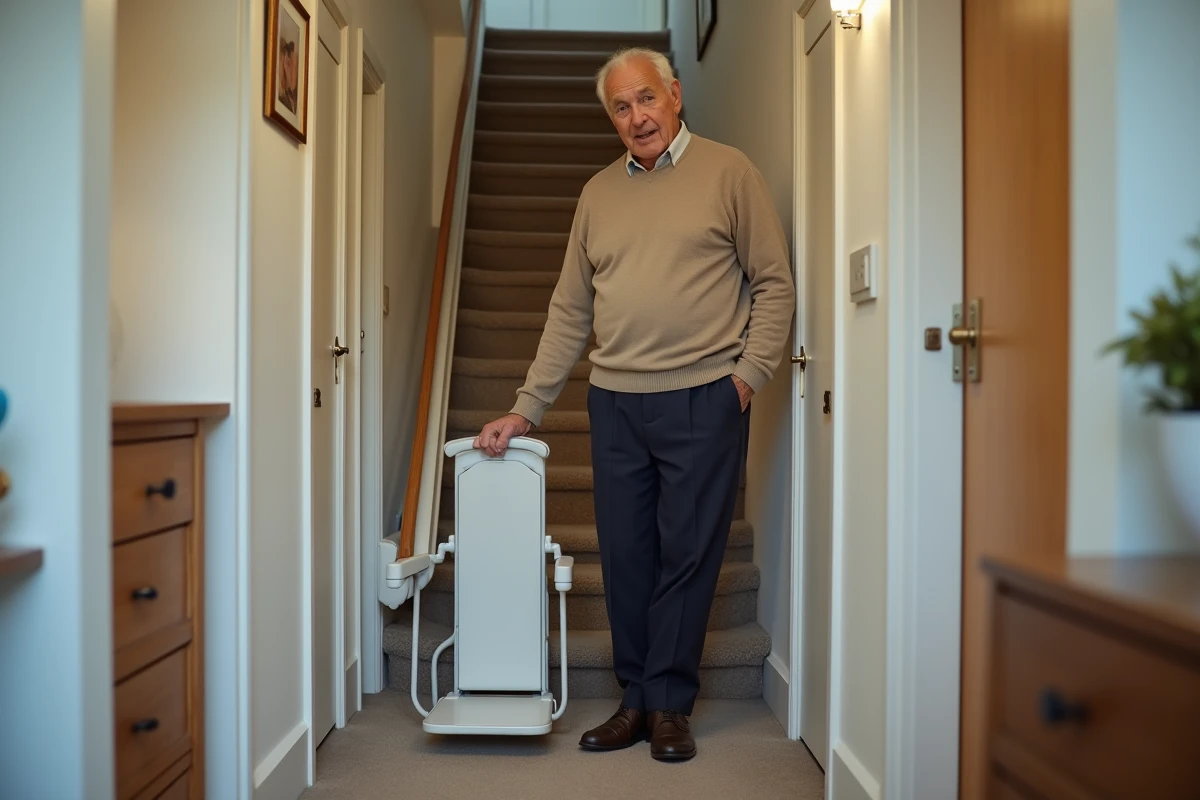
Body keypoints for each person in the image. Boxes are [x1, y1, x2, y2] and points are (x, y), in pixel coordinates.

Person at [472, 46, 795, 761]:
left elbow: (773, 282)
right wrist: (527, 406)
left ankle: (670, 704)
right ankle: (634, 699)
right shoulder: (597, 194)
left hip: (705, 397)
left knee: (689, 555)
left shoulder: (729, 171)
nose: (636, 117)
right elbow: (568, 310)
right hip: (615, 401)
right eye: (620, 107)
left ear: (675, 95)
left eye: (646, 99)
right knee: (625, 557)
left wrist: (747, 376)